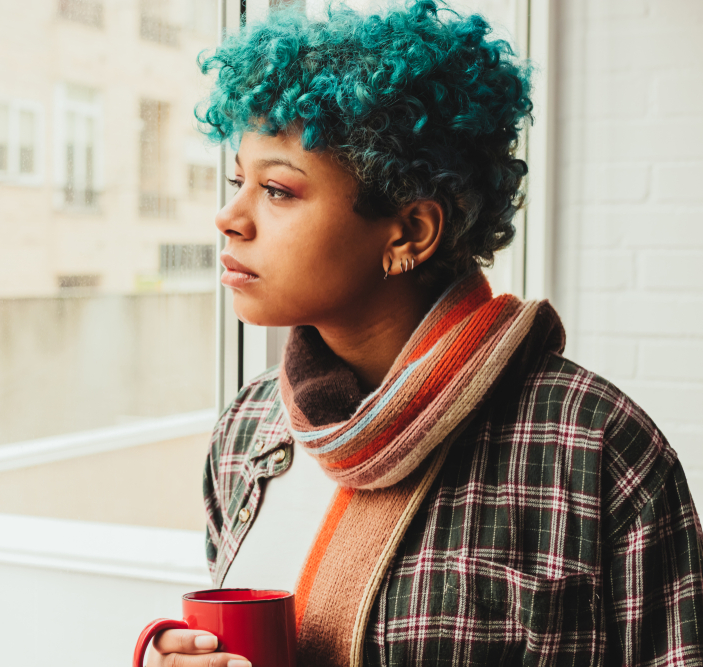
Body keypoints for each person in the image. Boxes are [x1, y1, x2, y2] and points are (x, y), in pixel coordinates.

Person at [146, 2, 703, 666]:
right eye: (239, 180)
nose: (227, 218)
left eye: (279, 190)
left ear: (410, 232)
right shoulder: (249, 432)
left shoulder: (596, 444)